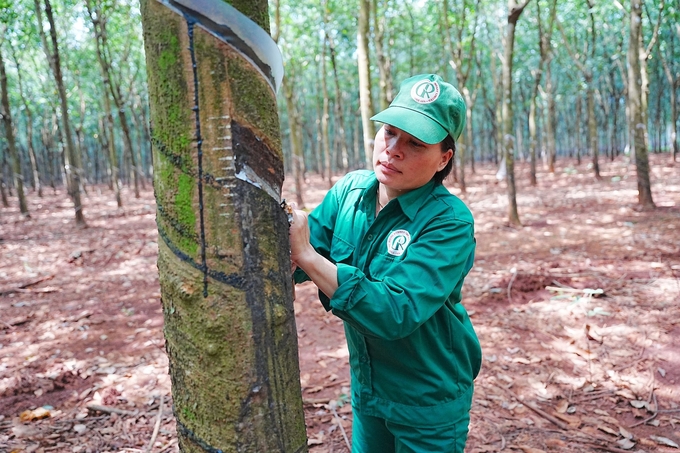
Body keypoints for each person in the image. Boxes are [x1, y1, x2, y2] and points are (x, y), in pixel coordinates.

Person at [289, 74, 481, 453]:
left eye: (415, 143)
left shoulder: (448, 222)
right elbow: (297, 256)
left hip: (428, 398)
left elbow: (396, 310)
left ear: (444, 158)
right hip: (369, 387)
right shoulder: (350, 192)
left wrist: (308, 257)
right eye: (390, 132)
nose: (393, 149)